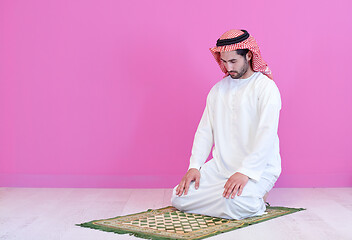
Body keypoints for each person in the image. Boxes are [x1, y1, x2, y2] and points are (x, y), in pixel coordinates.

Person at [171, 29, 282, 220]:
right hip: (221, 168)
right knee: (179, 197)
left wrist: (245, 172)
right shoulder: (218, 90)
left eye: (233, 61)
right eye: (223, 62)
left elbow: (267, 134)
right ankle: (227, 199)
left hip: (258, 169)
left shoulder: (266, 88)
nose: (228, 67)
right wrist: (195, 166)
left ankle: (255, 199)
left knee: (236, 203)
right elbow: (205, 131)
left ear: (248, 55)